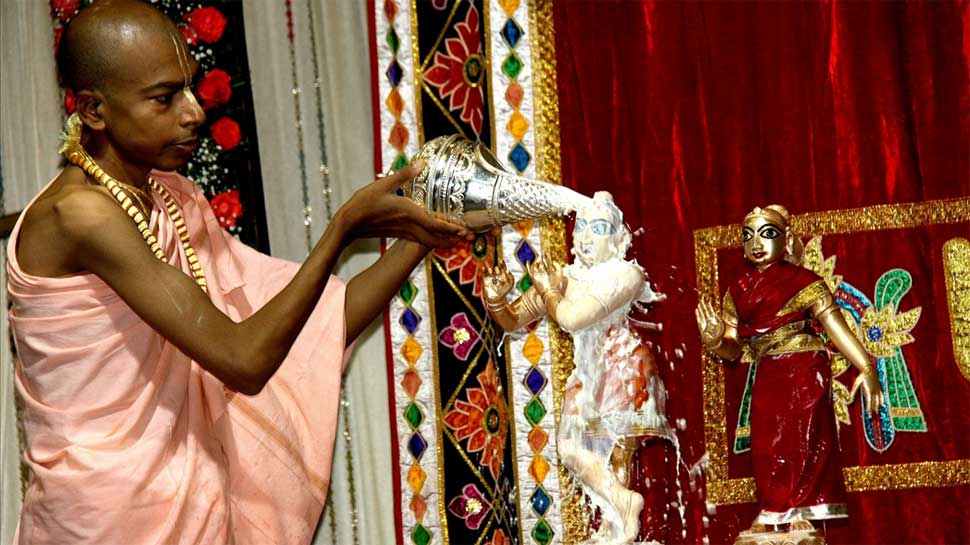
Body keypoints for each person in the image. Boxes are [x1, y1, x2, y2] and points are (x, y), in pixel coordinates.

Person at [8, 1, 472, 543]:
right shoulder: (82, 217)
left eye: (190, 87)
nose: (193, 112)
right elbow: (245, 361)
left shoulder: (164, 198)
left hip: (186, 502)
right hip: (110, 517)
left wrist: (427, 235)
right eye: (164, 97)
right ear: (92, 110)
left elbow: (320, 322)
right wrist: (342, 227)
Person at [482, 191, 673, 544]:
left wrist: (551, 292)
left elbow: (572, 318)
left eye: (598, 228)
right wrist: (496, 299)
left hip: (622, 364)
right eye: (581, 226)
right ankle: (620, 504)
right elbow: (511, 321)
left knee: (616, 449)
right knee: (572, 449)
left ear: (620, 239)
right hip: (586, 373)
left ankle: (615, 528)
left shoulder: (625, 275)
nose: (585, 236)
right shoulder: (565, 277)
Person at [694, 205, 885, 538]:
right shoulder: (737, 290)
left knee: (803, 436)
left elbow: (836, 328)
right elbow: (733, 351)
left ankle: (802, 508)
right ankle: (772, 508)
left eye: (767, 234)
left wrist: (866, 366)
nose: (756, 242)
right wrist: (714, 340)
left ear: (786, 240)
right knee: (769, 441)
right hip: (768, 370)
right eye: (748, 235)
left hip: (804, 366)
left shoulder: (804, 281)